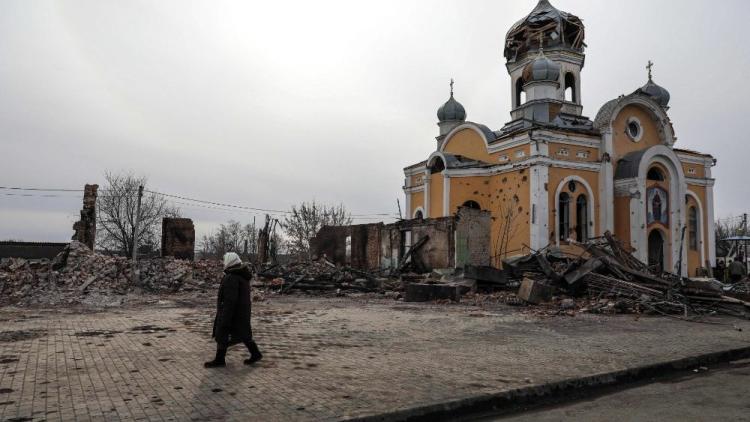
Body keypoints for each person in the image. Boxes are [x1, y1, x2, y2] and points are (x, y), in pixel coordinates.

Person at [204, 252, 263, 368]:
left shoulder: (231, 277)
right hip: (242, 312)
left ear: (229, 262)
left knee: (222, 333)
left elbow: (230, 300)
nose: (223, 263)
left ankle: (219, 360)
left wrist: (225, 316)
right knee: (243, 333)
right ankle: (255, 354)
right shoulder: (241, 276)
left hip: (233, 312)